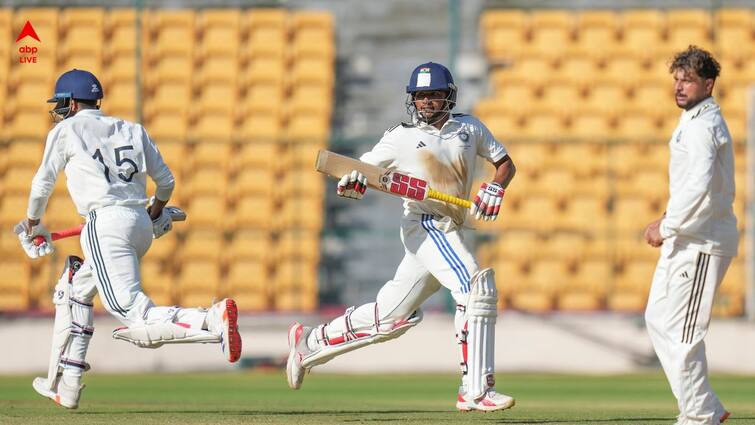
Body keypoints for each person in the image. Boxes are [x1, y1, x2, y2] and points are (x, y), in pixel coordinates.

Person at [286, 62, 517, 412]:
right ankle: (475, 390)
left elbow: (505, 163)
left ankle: (309, 342)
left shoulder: (470, 128)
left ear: (448, 96)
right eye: (421, 96)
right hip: (423, 223)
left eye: (434, 94)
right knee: (475, 289)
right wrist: (353, 181)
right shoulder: (400, 137)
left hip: (451, 227)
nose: (426, 102)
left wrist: (496, 187)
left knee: (390, 318)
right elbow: (358, 172)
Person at [16, 69, 242, 410]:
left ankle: (210, 319)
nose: (60, 112)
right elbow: (165, 183)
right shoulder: (132, 129)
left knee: (133, 313)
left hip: (104, 224)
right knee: (74, 291)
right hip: (138, 223)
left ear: (72, 103)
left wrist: (32, 223)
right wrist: (155, 212)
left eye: (61, 105)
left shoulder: (65, 130)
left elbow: (41, 185)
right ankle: (68, 386)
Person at [643, 46, 737, 425]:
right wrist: (669, 218)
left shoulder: (703, 125)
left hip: (703, 242)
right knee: (656, 319)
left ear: (709, 84)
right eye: (677, 79)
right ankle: (706, 407)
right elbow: (694, 185)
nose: (680, 87)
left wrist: (667, 226)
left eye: (689, 80)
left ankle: (699, 415)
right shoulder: (693, 119)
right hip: (687, 234)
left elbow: (699, 185)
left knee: (683, 333)